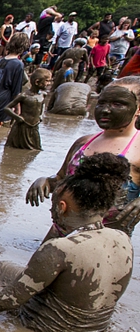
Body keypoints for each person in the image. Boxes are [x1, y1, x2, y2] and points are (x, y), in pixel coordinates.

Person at [0, 153, 133, 332]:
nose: (51, 211)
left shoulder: (59, 248)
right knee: (2, 270)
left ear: (62, 207)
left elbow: (8, 300)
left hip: (46, 327)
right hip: (94, 330)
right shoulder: (123, 239)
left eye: (53, 205)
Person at [26, 85, 140, 237]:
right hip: (60, 234)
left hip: (104, 243)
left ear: (138, 109)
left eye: (117, 104)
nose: (105, 110)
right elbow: (62, 178)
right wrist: (44, 181)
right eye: (101, 103)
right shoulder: (83, 142)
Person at [0, 32, 29, 134]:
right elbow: (16, 90)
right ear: (23, 47)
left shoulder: (0, 61)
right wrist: (17, 110)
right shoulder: (18, 64)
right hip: (3, 102)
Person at [4, 68, 51, 150]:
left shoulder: (43, 95)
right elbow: (6, 108)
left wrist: (41, 116)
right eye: (47, 81)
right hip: (21, 127)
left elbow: (42, 107)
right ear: (37, 82)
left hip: (34, 127)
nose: (49, 83)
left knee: (36, 149)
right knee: (12, 148)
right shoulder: (24, 96)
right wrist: (17, 117)